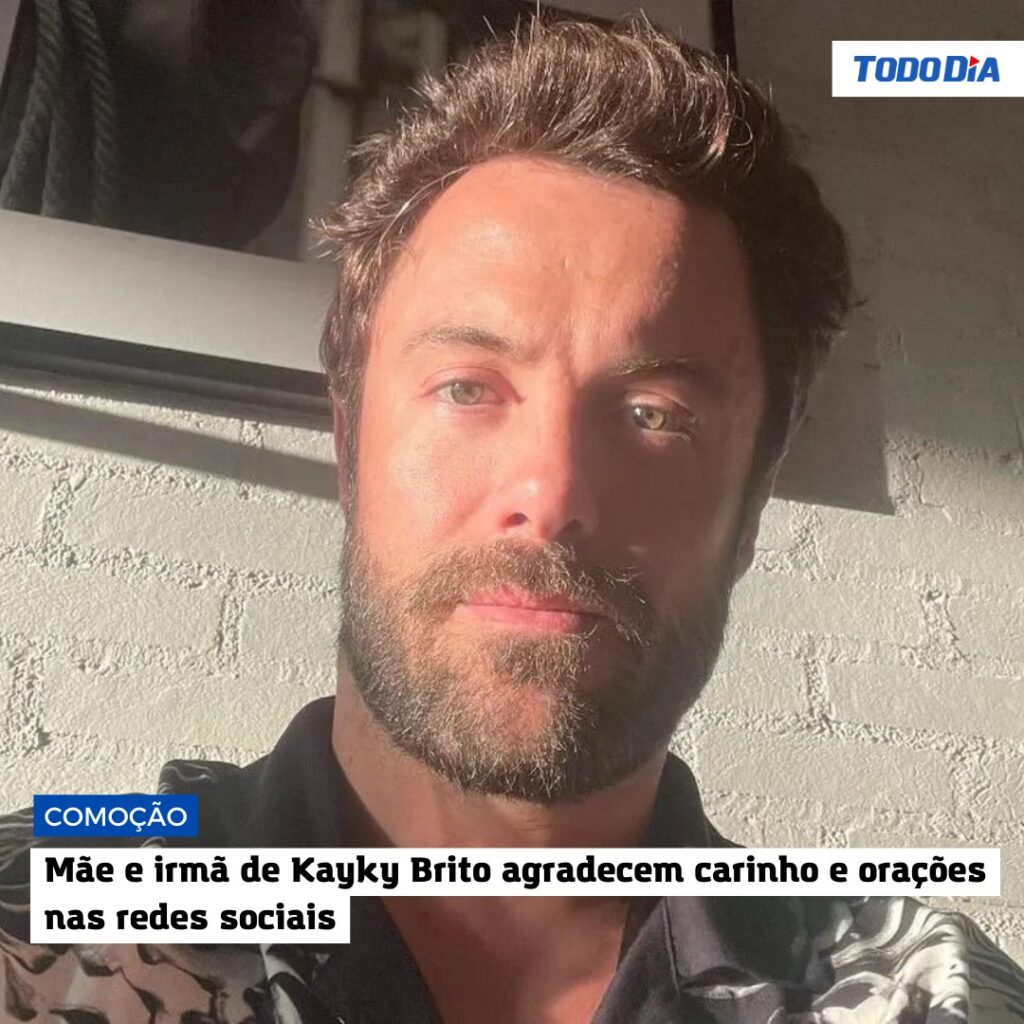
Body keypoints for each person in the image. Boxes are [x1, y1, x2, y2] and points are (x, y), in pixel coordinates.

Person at [2, 16, 1023, 1024]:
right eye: (466, 387)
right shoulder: (31, 938)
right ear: (350, 444)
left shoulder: (936, 997)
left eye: (655, 414)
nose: (553, 493)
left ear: (752, 502)